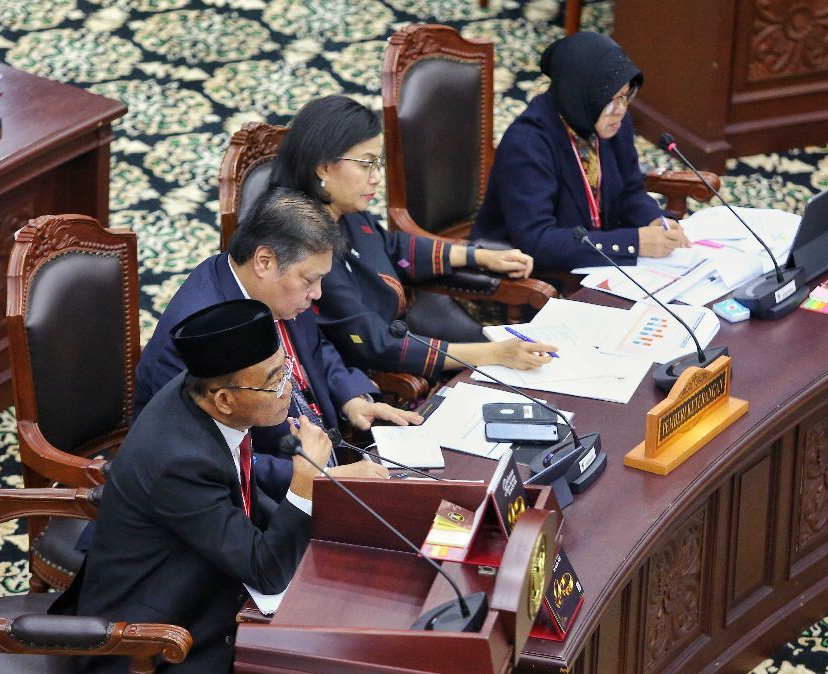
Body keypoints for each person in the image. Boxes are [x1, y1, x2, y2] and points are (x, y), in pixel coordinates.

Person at [54, 299, 335, 673]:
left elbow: (245, 499)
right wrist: (304, 485)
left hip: (200, 579)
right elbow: (266, 571)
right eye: (274, 381)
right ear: (225, 400)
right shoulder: (180, 462)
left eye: (283, 370)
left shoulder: (201, 394)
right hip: (156, 639)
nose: (287, 389)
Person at [135, 188, 410, 496]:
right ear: (264, 261)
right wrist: (324, 479)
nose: (317, 293)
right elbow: (219, 461)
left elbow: (314, 347)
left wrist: (351, 397)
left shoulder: (274, 290)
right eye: (309, 281)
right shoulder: (204, 335)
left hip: (321, 453)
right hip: (265, 498)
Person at [270, 95, 559, 380]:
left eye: (378, 163)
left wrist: (480, 256)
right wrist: (494, 354)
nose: (377, 177)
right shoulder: (309, 250)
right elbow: (376, 344)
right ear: (324, 167)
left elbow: (392, 247)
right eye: (365, 164)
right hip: (366, 378)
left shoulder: (343, 209)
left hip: (403, 332)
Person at [473, 32, 690, 272]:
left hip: (594, 262)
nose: (621, 109)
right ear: (582, 94)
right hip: (535, 277)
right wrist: (634, 243)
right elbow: (537, 242)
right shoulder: (527, 144)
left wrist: (655, 221)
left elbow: (630, 191)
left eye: (626, 96)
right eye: (612, 99)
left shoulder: (611, 123)